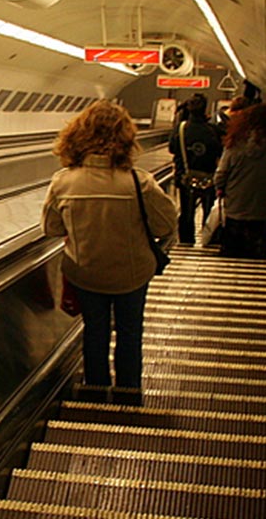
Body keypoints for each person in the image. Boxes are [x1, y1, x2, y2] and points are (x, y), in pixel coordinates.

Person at [42, 100, 177, 404]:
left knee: (94, 331)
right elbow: (166, 224)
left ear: (78, 135)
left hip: (86, 273)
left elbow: (51, 228)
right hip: (132, 275)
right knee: (130, 332)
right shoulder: (138, 181)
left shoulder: (63, 182)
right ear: (125, 137)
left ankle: (95, 394)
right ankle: (129, 395)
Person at [213, 103, 266, 258]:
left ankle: (232, 258)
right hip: (262, 203)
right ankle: (256, 254)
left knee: (233, 243)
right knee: (257, 242)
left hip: (235, 202)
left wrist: (220, 187)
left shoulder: (234, 142)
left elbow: (221, 173)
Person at [169, 94, 221, 245]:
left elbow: (172, 148)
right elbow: (220, 151)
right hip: (209, 177)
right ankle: (208, 240)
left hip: (185, 176)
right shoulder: (213, 130)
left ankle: (186, 242)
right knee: (208, 210)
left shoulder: (181, 129)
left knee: (186, 212)